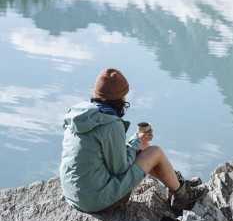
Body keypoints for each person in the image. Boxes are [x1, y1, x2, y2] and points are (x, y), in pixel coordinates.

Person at [60, 67, 208, 213]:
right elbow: (120, 169)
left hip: (73, 194)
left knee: (143, 147)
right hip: (97, 200)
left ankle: (177, 184)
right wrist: (137, 141)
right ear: (121, 97)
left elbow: (103, 154)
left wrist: (137, 142)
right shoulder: (111, 124)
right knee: (155, 151)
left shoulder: (81, 115)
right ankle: (182, 196)